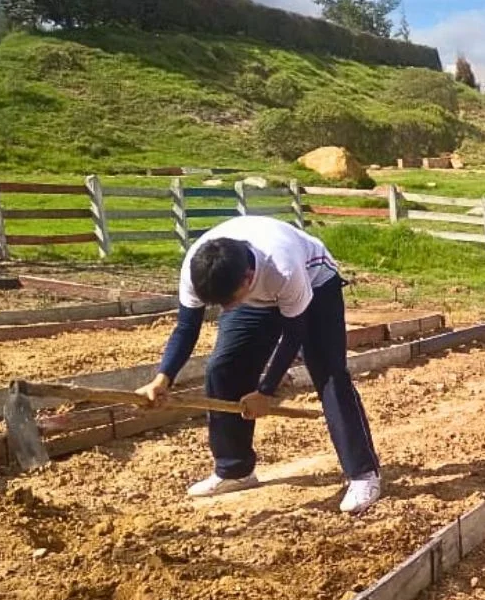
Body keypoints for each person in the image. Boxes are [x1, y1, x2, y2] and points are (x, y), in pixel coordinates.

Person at [135, 214, 383, 515]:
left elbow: (295, 334)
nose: (226, 310)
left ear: (248, 278)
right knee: (223, 368)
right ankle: (234, 470)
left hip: (316, 285)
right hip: (256, 298)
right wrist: (164, 378)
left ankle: (363, 474)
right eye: (219, 304)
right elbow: (187, 328)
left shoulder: (283, 268)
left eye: (229, 301)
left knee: (329, 373)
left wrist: (266, 391)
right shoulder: (198, 268)